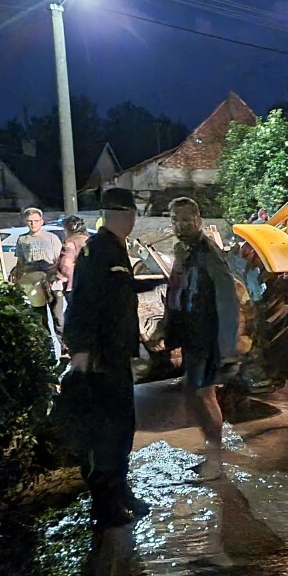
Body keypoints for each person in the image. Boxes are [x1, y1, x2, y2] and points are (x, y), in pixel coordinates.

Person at [63, 187, 161, 527]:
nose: (134, 219)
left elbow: (116, 290)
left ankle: (120, 491)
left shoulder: (115, 248)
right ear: (124, 215)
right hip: (100, 358)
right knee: (103, 432)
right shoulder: (97, 250)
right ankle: (103, 506)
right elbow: (83, 303)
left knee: (122, 427)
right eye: (132, 213)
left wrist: (152, 283)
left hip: (116, 355)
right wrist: (81, 351)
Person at [164, 196, 240, 482]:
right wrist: (168, 332)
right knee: (193, 392)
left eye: (186, 219)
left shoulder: (208, 253)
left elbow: (227, 300)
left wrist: (227, 349)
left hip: (208, 338)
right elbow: (178, 295)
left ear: (199, 221)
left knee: (204, 395)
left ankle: (214, 462)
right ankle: (211, 456)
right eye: (175, 219)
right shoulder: (186, 252)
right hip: (193, 338)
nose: (180, 225)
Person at [10, 207, 64, 332]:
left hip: (53, 283)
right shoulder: (22, 240)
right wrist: (17, 278)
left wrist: (54, 275)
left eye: (35, 220)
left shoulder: (51, 238)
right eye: (30, 221)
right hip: (34, 284)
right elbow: (20, 262)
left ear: (42, 221)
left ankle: (64, 346)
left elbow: (59, 260)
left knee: (58, 318)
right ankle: (47, 346)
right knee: (40, 318)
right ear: (26, 222)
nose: (33, 224)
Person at [57, 215, 89, 308]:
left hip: (73, 283)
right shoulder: (89, 241)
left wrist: (62, 277)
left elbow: (67, 263)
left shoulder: (71, 243)